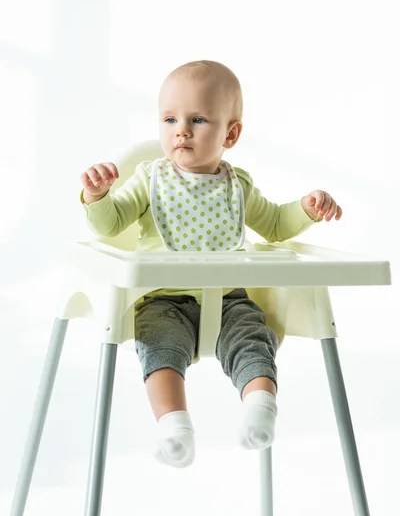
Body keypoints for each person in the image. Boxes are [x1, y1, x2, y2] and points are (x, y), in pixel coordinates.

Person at [80, 60, 342, 468]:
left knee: (254, 340)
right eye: (170, 119)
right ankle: (175, 427)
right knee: (159, 348)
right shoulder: (151, 178)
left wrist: (306, 209)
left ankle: (260, 408)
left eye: (197, 119)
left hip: (229, 299)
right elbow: (111, 224)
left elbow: (274, 225)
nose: (180, 130)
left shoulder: (238, 186)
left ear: (230, 134)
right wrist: (97, 198)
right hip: (162, 299)